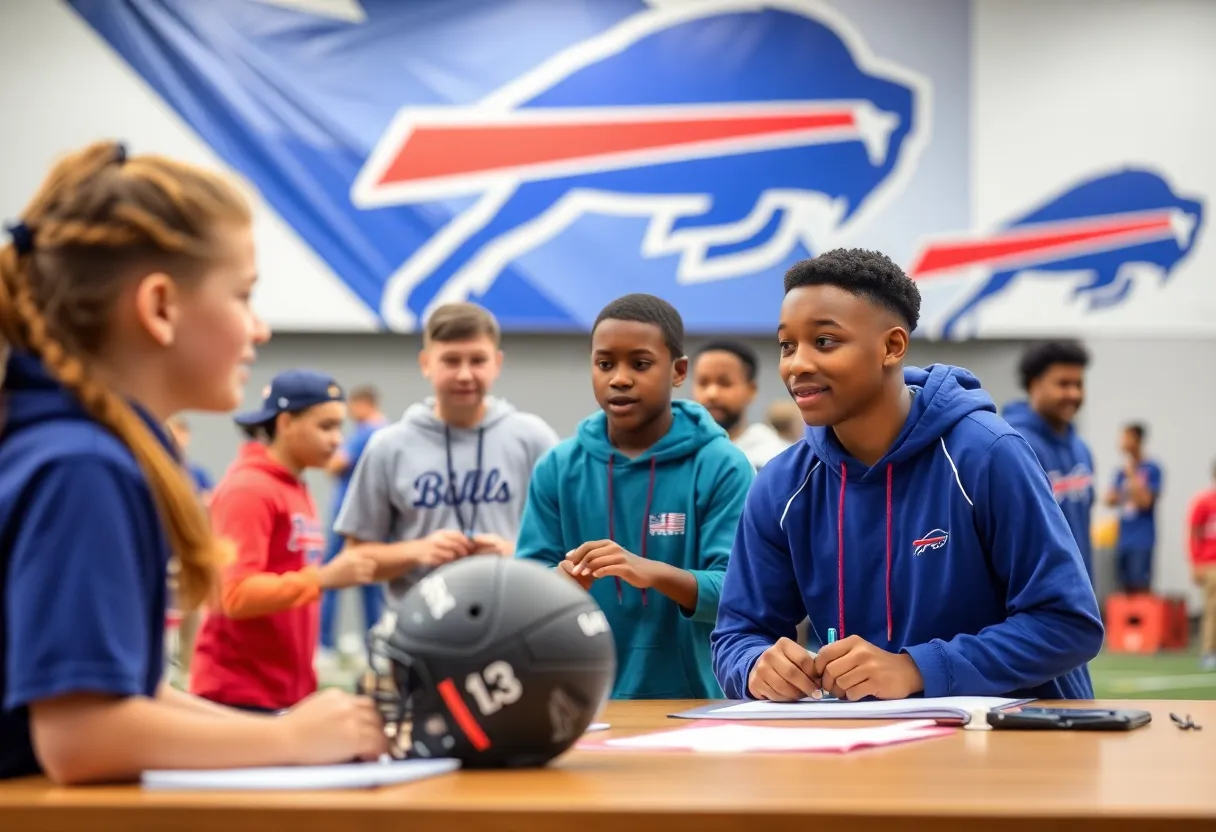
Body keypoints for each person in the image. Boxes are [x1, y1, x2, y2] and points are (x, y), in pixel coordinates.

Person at [0, 141, 386, 784]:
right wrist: (289, 740)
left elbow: (131, 693)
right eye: (243, 296)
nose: (259, 330)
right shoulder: (82, 468)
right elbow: (81, 736)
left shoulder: (78, 451)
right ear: (160, 307)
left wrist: (288, 729)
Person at [711, 248, 1103, 703]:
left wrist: (917, 669)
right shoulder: (781, 485)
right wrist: (755, 666)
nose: (797, 364)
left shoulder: (987, 454)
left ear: (892, 346)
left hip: (1016, 734)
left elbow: (1068, 623)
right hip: (866, 739)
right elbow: (737, 634)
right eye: (787, 345)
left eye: (825, 341)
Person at [516, 294, 755, 699]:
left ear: (678, 371)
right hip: (580, 701)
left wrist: (651, 571)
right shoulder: (557, 467)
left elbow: (739, 594)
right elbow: (525, 591)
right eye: (605, 364)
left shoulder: (722, 465)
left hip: (697, 707)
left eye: (640, 364)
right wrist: (556, 583)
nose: (619, 379)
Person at [335, 302, 559, 602]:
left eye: (478, 360)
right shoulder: (389, 446)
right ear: (426, 363)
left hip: (517, 618)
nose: (465, 375)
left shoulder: (533, 438)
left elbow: (572, 543)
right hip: (420, 622)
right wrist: (418, 551)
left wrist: (516, 553)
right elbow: (355, 558)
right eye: (451, 361)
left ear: (497, 363)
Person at [189, 371, 377, 712]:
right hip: (239, 696)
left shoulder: (293, 485)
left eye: (339, 427)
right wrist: (323, 578)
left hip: (280, 693)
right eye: (326, 427)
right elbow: (235, 594)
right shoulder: (249, 488)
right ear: (286, 422)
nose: (337, 440)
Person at [1003, 341, 1096, 581]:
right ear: (1034, 384)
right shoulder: (1012, 446)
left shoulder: (1081, 449)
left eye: (1079, 384)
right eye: (1063, 384)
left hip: (1079, 589)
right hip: (1034, 592)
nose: (1074, 394)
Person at [317, 384, 387, 666]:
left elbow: (335, 464)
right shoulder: (386, 432)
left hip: (348, 518)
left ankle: (323, 644)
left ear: (363, 404)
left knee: (330, 577)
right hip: (376, 518)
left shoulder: (366, 432)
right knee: (371, 579)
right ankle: (374, 646)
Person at [692, 340, 790, 470]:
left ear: (751, 390)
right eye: (703, 383)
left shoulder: (775, 459)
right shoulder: (678, 452)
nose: (712, 393)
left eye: (725, 383)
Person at [1104, 423, 1162, 594]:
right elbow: (1109, 499)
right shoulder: (1120, 472)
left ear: (1137, 440)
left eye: (1126, 438)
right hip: (1122, 539)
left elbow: (1145, 501)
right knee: (1123, 590)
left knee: (1140, 589)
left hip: (1142, 539)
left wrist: (1132, 476)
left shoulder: (1152, 469)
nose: (1122, 442)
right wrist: (1127, 491)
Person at [1186, 462, 1216, 671]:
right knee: (1212, 607)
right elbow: (1193, 533)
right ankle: (1208, 651)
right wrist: (1195, 563)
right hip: (1210, 562)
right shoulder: (1205, 502)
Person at [166, 414, 215, 501]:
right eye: (171, 435)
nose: (176, 439)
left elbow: (212, 500)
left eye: (181, 432)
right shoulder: (156, 471)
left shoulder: (199, 473)